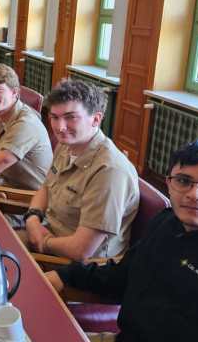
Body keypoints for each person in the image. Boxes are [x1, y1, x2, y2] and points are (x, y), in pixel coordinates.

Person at [45, 139, 198, 342]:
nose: (194, 194)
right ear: (169, 183)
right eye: (183, 181)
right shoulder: (166, 222)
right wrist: (64, 276)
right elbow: (122, 275)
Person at [20, 79, 139, 261]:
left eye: (70, 117)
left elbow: (81, 250)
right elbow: (46, 187)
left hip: (74, 264)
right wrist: (33, 218)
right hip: (46, 234)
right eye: (54, 117)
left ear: (96, 119)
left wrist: (44, 241)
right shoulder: (66, 145)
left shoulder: (109, 171)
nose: (60, 127)